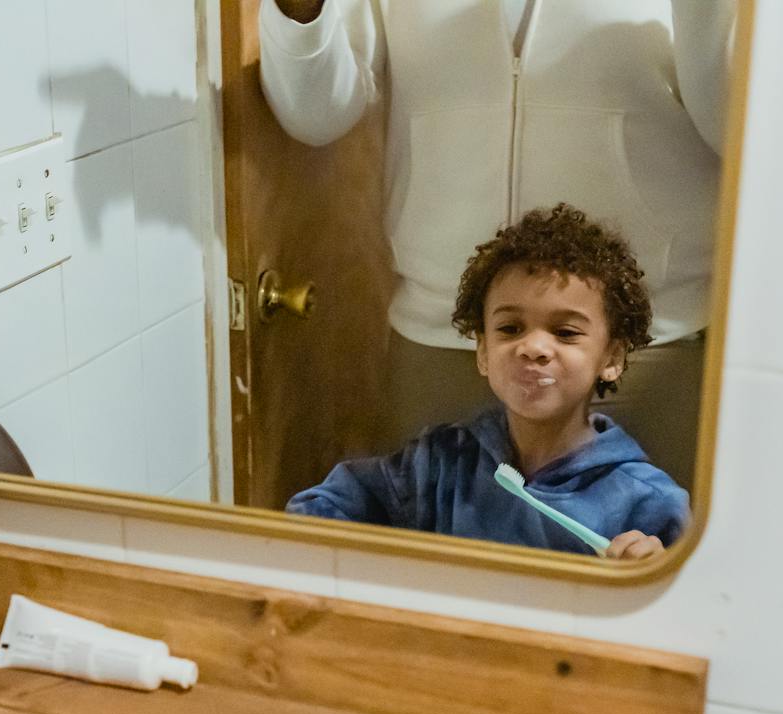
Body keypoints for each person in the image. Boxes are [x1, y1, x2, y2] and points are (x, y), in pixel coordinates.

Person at [259, 0, 734, 472]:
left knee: (636, 540)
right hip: (440, 342)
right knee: (433, 543)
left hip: (640, 350)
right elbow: (315, 115)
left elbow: (739, 123)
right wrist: (301, 14)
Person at [287, 204, 688, 560]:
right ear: (482, 352)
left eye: (565, 332)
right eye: (510, 328)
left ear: (612, 358)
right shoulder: (439, 463)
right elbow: (320, 511)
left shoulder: (649, 501)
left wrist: (654, 574)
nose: (533, 347)